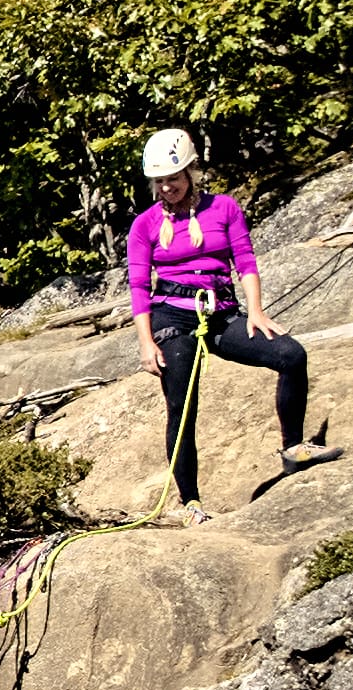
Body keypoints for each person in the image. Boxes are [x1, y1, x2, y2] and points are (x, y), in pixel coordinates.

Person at [126, 129, 322, 520]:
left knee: (290, 355)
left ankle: (293, 448)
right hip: (173, 317)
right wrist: (146, 343)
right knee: (182, 409)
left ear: (190, 172)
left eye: (174, 178)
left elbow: (245, 261)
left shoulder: (224, 209)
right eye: (160, 181)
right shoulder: (144, 225)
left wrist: (257, 311)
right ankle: (192, 502)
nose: (168, 187)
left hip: (221, 312)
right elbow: (137, 286)